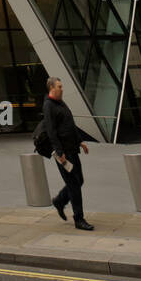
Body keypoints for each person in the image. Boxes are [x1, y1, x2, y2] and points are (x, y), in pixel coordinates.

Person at [43, 76, 94, 231]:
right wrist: (59, 152)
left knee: (79, 181)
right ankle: (79, 219)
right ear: (52, 88)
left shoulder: (61, 103)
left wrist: (80, 141)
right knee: (74, 185)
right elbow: (51, 132)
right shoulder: (49, 106)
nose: (62, 89)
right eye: (59, 86)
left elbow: (69, 125)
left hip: (73, 149)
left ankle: (59, 200)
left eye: (61, 86)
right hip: (64, 153)